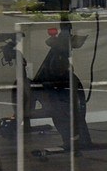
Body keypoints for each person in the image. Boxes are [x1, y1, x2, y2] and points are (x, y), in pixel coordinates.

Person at [27, 21, 96, 151]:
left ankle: (79, 140)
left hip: (63, 87)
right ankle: (71, 140)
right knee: (59, 109)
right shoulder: (58, 52)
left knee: (69, 109)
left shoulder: (63, 53)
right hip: (56, 89)